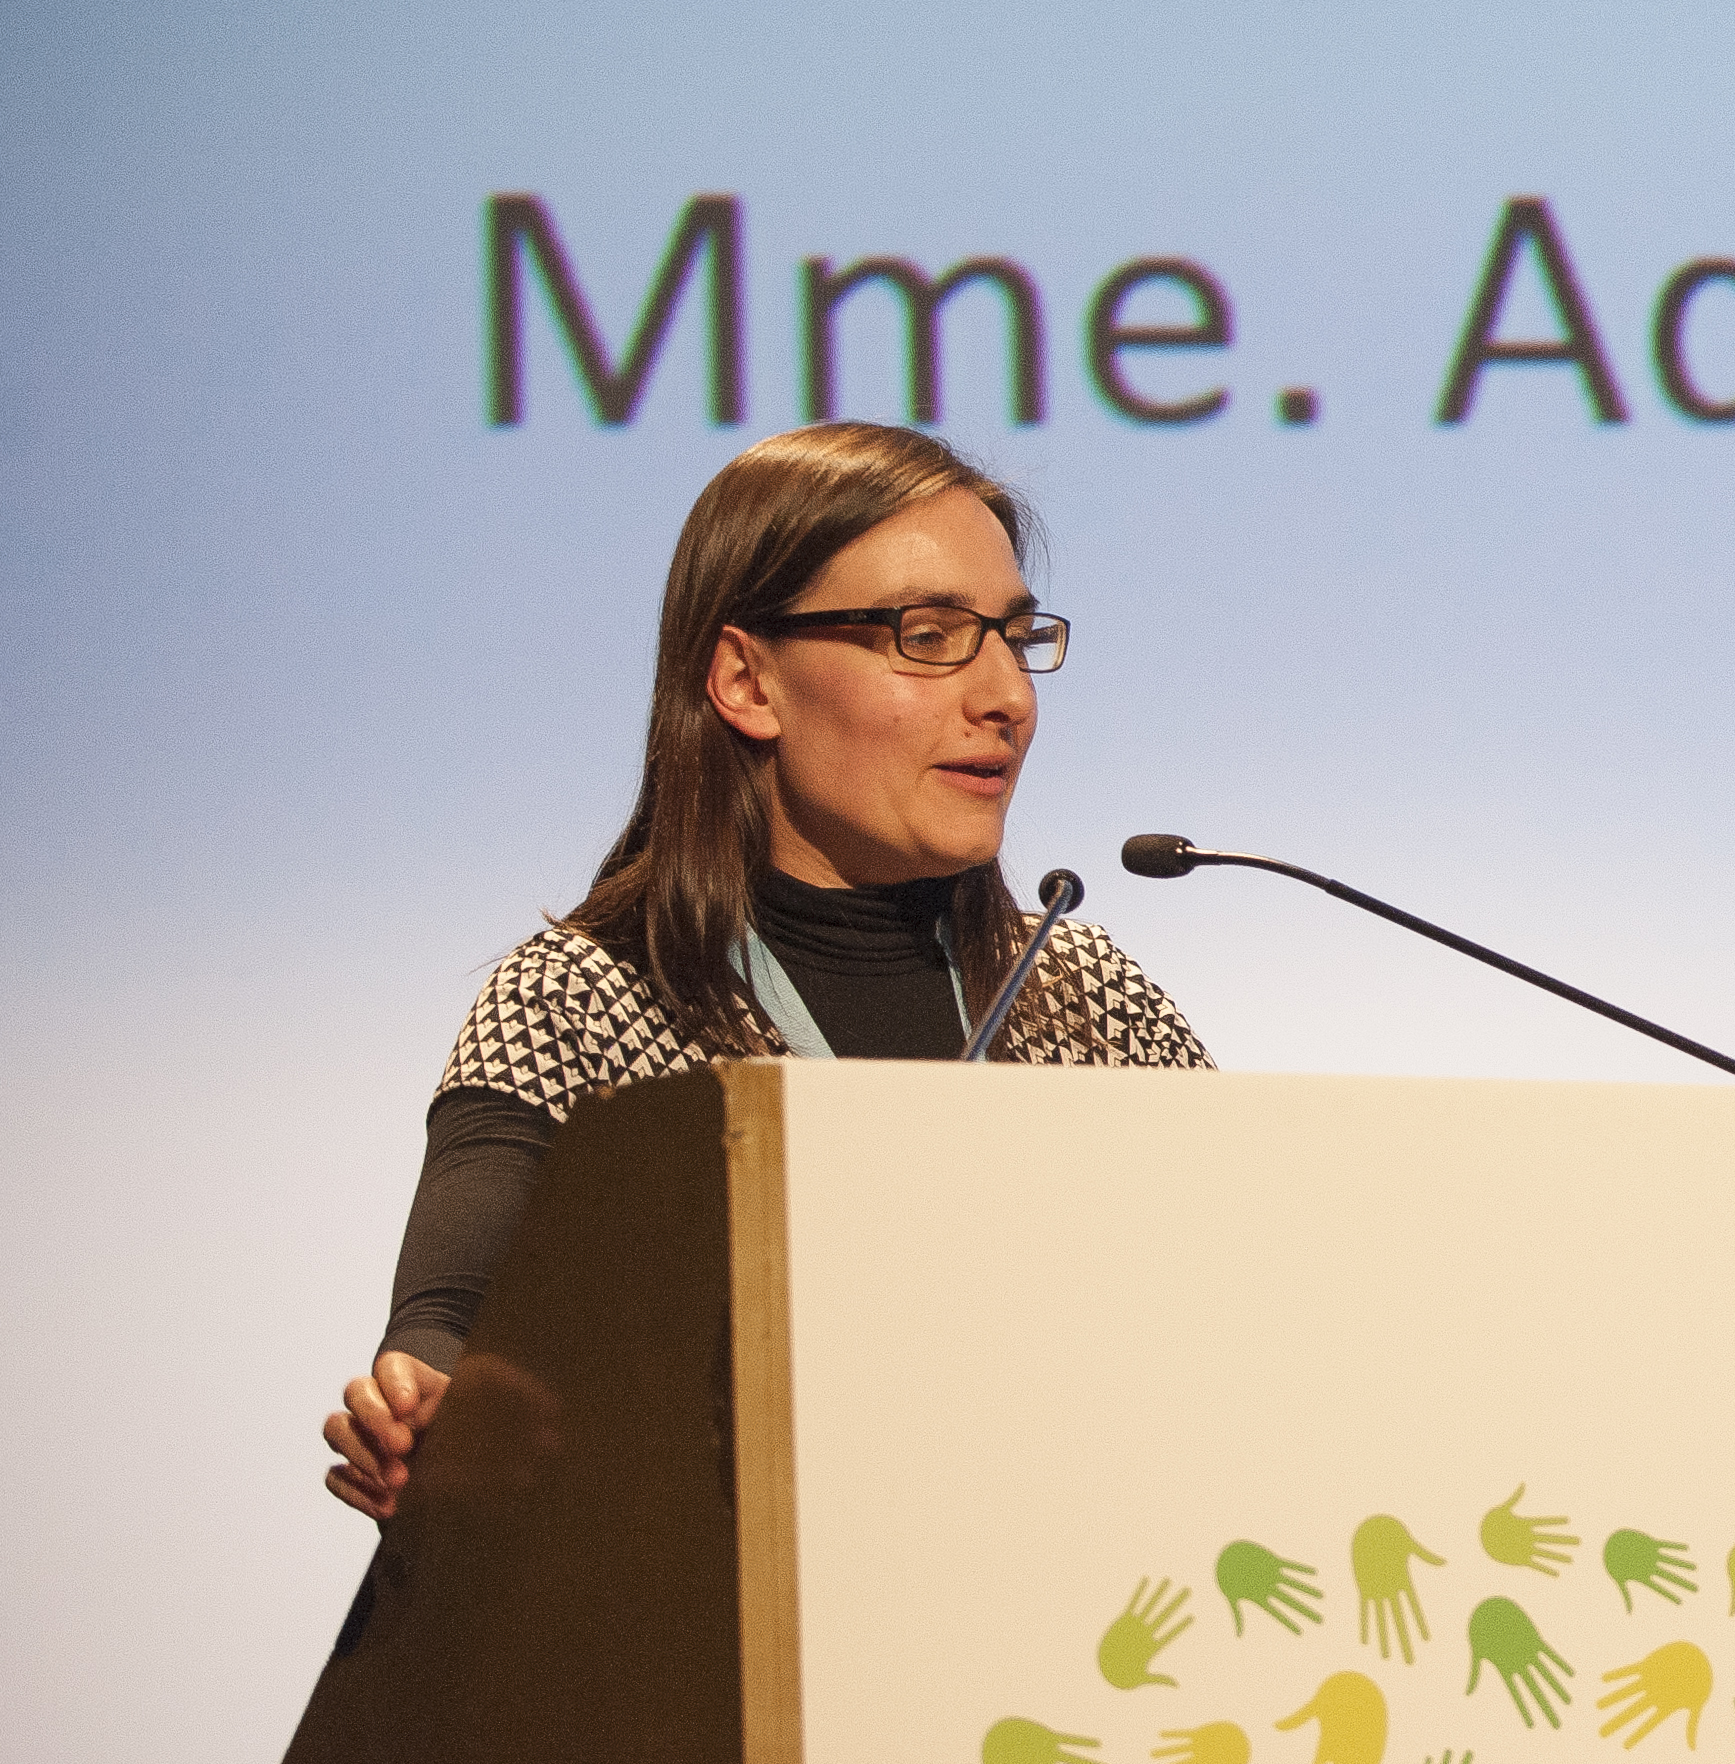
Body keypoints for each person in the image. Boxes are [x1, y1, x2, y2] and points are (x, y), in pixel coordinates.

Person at [320, 422, 1209, 1519]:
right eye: (928, 635)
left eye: (1014, 639)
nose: (1006, 697)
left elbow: (1241, 1300)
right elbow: (447, 1330)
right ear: (746, 679)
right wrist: (430, 1411)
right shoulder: (588, 999)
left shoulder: (1075, 990)